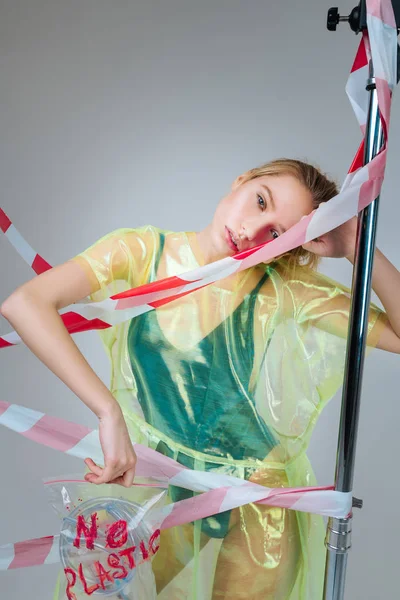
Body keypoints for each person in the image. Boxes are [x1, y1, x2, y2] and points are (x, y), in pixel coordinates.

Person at [1, 158, 399, 599]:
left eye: (277, 234)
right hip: (155, 482)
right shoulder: (141, 253)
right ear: (242, 179)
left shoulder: (286, 291)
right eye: (260, 201)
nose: (252, 230)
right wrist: (107, 411)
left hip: (253, 501)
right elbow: (26, 304)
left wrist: (357, 244)